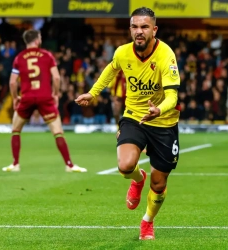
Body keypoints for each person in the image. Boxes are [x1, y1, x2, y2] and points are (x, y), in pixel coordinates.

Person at [75, 7, 180, 240]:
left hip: (163, 121)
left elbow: (173, 96)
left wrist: (159, 109)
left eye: (144, 27)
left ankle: (147, 222)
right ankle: (138, 179)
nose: (139, 32)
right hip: (134, 116)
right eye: (135, 27)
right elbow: (110, 71)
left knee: (160, 184)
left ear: (154, 29)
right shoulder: (123, 52)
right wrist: (92, 93)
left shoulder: (166, 55)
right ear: (130, 29)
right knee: (124, 166)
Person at [2, 29, 87, 173]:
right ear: (36, 40)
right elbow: (56, 78)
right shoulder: (47, 55)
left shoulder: (19, 57)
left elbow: (12, 82)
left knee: (16, 130)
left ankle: (15, 164)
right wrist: (55, 94)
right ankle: (69, 165)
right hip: (44, 97)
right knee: (58, 132)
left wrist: (16, 97)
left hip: (27, 97)